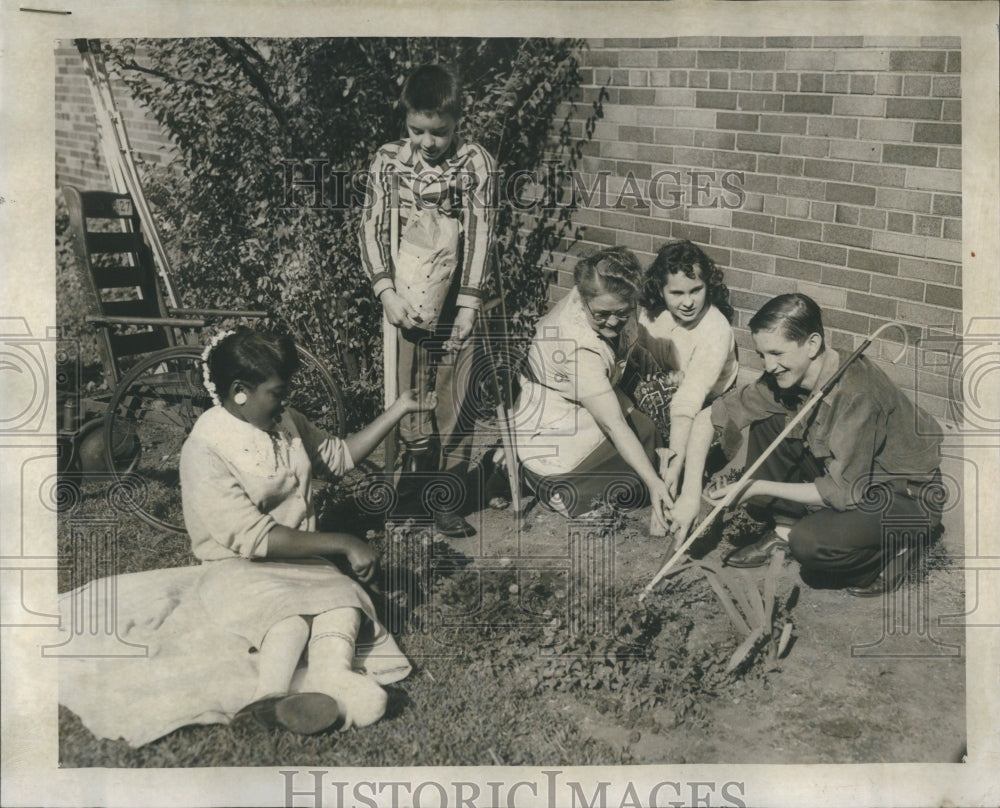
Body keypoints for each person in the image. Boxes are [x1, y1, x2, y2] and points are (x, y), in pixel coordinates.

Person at [180, 329, 435, 734]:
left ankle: (332, 678)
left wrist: (399, 409)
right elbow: (253, 537)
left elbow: (336, 458)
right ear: (239, 391)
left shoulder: (285, 422)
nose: (285, 402)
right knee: (290, 619)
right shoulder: (206, 447)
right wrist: (344, 542)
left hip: (300, 560)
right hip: (237, 567)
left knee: (342, 603)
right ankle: (268, 699)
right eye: (277, 393)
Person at [680, 294, 944, 596]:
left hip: (904, 495)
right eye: (762, 354)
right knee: (770, 419)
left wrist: (755, 487)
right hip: (859, 478)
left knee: (811, 545)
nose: (769, 366)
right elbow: (710, 417)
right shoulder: (789, 377)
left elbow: (844, 492)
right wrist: (689, 495)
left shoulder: (857, 394)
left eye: (777, 353)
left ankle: (898, 549)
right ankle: (784, 527)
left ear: (813, 344)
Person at [359, 63, 497, 538]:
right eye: (416, 130)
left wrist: (468, 305)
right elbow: (373, 227)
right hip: (408, 299)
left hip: (457, 297)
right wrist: (385, 291)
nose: (427, 142)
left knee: (456, 394)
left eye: (438, 132)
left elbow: (481, 235)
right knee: (410, 393)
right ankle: (412, 484)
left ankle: (446, 494)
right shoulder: (389, 160)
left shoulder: (474, 163)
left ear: (458, 121)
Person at [512, 246, 671, 523]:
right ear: (583, 299)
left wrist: (641, 355)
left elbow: (622, 339)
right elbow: (614, 424)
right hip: (556, 419)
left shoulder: (609, 300)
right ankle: (551, 487)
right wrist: (656, 483)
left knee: (646, 433)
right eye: (602, 314)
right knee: (636, 458)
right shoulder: (576, 346)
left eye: (622, 312)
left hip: (586, 396)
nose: (612, 321)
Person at [636, 240, 739, 541]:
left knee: (668, 407)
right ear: (660, 290)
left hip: (703, 405)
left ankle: (674, 488)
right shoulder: (652, 315)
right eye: (676, 293)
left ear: (709, 285)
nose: (688, 302)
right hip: (663, 391)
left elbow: (690, 399)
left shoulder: (715, 329)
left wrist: (674, 475)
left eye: (696, 290)